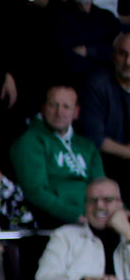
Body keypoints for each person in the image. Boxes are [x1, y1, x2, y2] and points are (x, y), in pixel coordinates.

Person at [12, 84, 107, 227]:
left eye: (66, 107)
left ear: (76, 112)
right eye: (53, 105)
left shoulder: (87, 146)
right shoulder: (30, 141)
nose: (59, 112)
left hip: (93, 216)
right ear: (43, 108)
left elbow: (102, 187)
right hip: (59, 222)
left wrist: (119, 211)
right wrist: (76, 215)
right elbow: (35, 192)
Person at [45, 0, 122, 90]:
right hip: (68, 86)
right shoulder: (55, 13)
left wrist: (89, 51)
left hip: (104, 87)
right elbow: (62, 56)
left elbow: (120, 52)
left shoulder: (107, 18)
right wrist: (102, 54)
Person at [78, 31, 130, 190]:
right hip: (106, 164)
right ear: (113, 55)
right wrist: (127, 152)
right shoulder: (98, 85)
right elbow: (94, 139)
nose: (128, 62)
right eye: (123, 54)